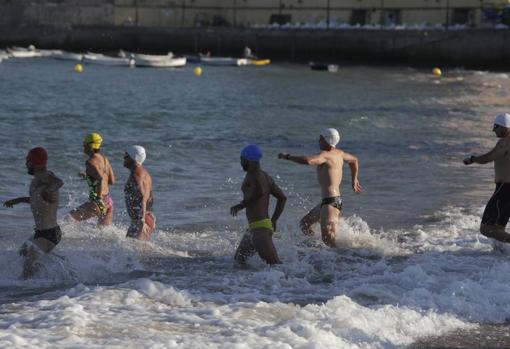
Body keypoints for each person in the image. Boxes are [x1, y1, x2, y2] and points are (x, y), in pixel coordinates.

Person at [278, 128, 362, 247]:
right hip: (330, 202)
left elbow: (308, 160)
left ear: (327, 140)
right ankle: (320, 253)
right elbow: (354, 160)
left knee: (330, 243)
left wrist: (287, 157)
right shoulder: (340, 153)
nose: (318, 140)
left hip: (330, 203)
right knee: (305, 224)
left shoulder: (325, 155)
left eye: (321, 138)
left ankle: (345, 261)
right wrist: (354, 179)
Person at [3, 147, 63, 278]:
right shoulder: (37, 179)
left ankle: (28, 291)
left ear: (33, 162)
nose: (26, 164)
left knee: (28, 265)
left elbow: (58, 182)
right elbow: (36, 200)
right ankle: (44, 274)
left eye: (28, 161)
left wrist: (48, 191)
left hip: (50, 233)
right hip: (40, 233)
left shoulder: (45, 175)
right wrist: (16, 200)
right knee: (22, 253)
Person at [231, 144, 287, 265]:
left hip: (260, 231)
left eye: (242, 159)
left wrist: (242, 205)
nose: (241, 162)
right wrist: (274, 220)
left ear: (249, 160)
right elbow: (282, 198)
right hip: (256, 228)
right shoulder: (265, 176)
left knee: (276, 266)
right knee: (238, 261)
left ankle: (298, 282)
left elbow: (260, 191)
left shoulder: (253, 174)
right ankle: (249, 284)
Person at [464, 113, 510, 243]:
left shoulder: (505, 142)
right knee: (498, 228)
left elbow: (489, 157)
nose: (493, 130)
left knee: (486, 228)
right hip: (506, 190)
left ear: (505, 126)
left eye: (496, 126)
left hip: (505, 190)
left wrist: (473, 159)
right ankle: (502, 256)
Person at [70, 132, 115, 226]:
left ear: (90, 146)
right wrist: (88, 176)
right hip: (108, 201)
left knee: (68, 219)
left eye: (84, 144)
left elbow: (100, 179)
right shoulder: (104, 159)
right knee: (104, 234)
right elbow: (111, 181)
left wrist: (98, 198)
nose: (83, 147)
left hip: (98, 202)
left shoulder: (90, 162)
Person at [124, 145, 155, 241]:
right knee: (138, 251)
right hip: (147, 216)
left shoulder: (136, 175)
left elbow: (141, 196)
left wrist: (141, 221)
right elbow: (150, 197)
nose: (123, 158)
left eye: (126, 156)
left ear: (134, 158)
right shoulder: (145, 173)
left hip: (141, 220)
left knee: (129, 248)